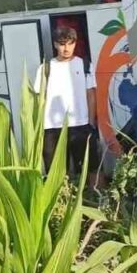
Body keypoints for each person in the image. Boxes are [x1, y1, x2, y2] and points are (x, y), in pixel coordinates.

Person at [34, 26, 101, 189]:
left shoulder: (84, 65)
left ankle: (95, 204)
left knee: (90, 168)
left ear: (75, 44)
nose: (66, 48)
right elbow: (38, 99)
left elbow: (91, 95)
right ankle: (61, 207)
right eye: (62, 44)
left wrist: (91, 123)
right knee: (55, 173)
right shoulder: (45, 69)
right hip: (52, 128)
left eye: (70, 43)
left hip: (80, 125)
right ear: (55, 45)